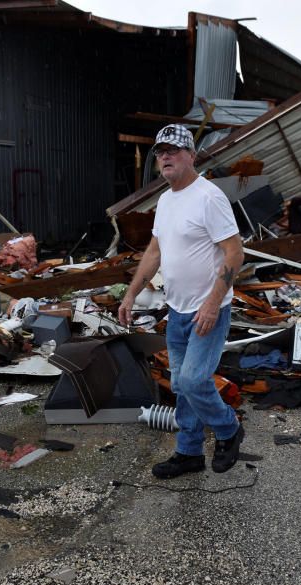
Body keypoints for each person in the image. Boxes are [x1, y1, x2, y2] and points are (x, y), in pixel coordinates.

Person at [118, 124, 245, 478]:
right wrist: (131, 294)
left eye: (174, 150)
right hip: (177, 308)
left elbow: (235, 255)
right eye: (160, 151)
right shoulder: (166, 200)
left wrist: (211, 303)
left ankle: (228, 428)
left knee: (192, 380)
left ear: (191, 155)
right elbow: (155, 251)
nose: (166, 156)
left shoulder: (209, 197)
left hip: (209, 310)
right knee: (181, 386)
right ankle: (189, 453)